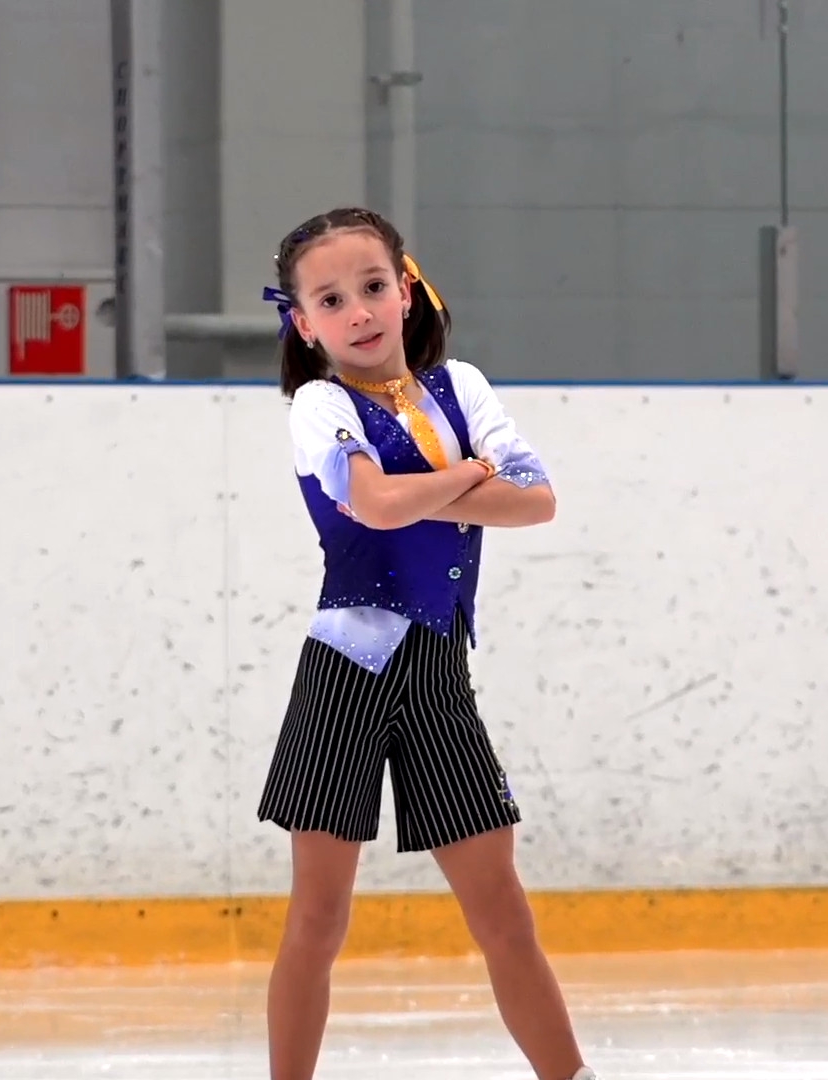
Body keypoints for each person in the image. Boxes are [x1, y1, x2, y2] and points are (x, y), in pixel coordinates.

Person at [255, 206, 596, 1080]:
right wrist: (475, 472)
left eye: (373, 286)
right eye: (331, 300)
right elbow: (373, 506)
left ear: (406, 290)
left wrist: (435, 488)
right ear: (305, 324)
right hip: (344, 676)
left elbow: (537, 501)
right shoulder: (320, 404)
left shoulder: (463, 387)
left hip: (440, 672)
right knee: (319, 918)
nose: (359, 312)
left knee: (503, 912)